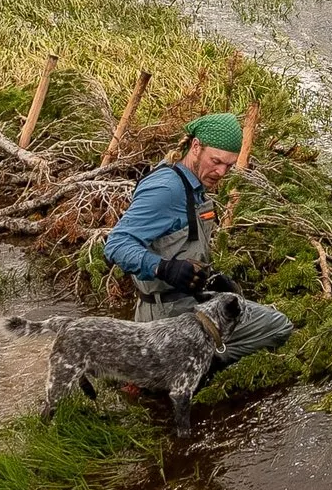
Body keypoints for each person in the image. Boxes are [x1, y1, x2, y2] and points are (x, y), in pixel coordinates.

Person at [102, 113, 295, 358]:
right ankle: (176, 366)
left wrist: (210, 278)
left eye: (229, 165)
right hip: (166, 316)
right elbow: (116, 244)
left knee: (256, 315)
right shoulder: (167, 189)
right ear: (195, 147)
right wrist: (164, 268)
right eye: (216, 161)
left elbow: (177, 245)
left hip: (189, 303)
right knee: (277, 326)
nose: (222, 172)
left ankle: (173, 363)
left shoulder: (193, 184)